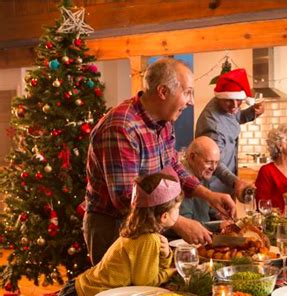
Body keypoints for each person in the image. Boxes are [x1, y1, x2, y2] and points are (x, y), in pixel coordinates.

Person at [84, 58, 235, 265]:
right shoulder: (122, 127)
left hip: (148, 223)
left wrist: (208, 195)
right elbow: (126, 199)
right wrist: (178, 222)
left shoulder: (163, 123)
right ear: (163, 92)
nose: (191, 101)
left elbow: (173, 167)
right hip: (115, 226)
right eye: (187, 92)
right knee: (119, 293)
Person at [55, 168, 181, 296]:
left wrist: (165, 255)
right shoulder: (148, 239)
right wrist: (172, 271)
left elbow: (149, 273)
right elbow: (146, 285)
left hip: (76, 291)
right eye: (178, 208)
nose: (179, 211)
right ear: (164, 216)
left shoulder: (140, 232)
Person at [195, 68, 264, 197]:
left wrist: (253, 112)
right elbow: (213, 163)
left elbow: (235, 117)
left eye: (239, 100)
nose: (235, 105)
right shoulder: (213, 126)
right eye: (229, 100)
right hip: (213, 190)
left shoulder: (225, 105)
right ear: (220, 97)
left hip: (226, 187)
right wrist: (236, 182)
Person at [165, 136, 223, 239]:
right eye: (209, 162)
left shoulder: (202, 174)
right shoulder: (179, 182)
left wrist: (220, 215)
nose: (213, 168)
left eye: (216, 162)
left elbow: (208, 210)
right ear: (192, 157)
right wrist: (218, 226)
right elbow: (187, 226)